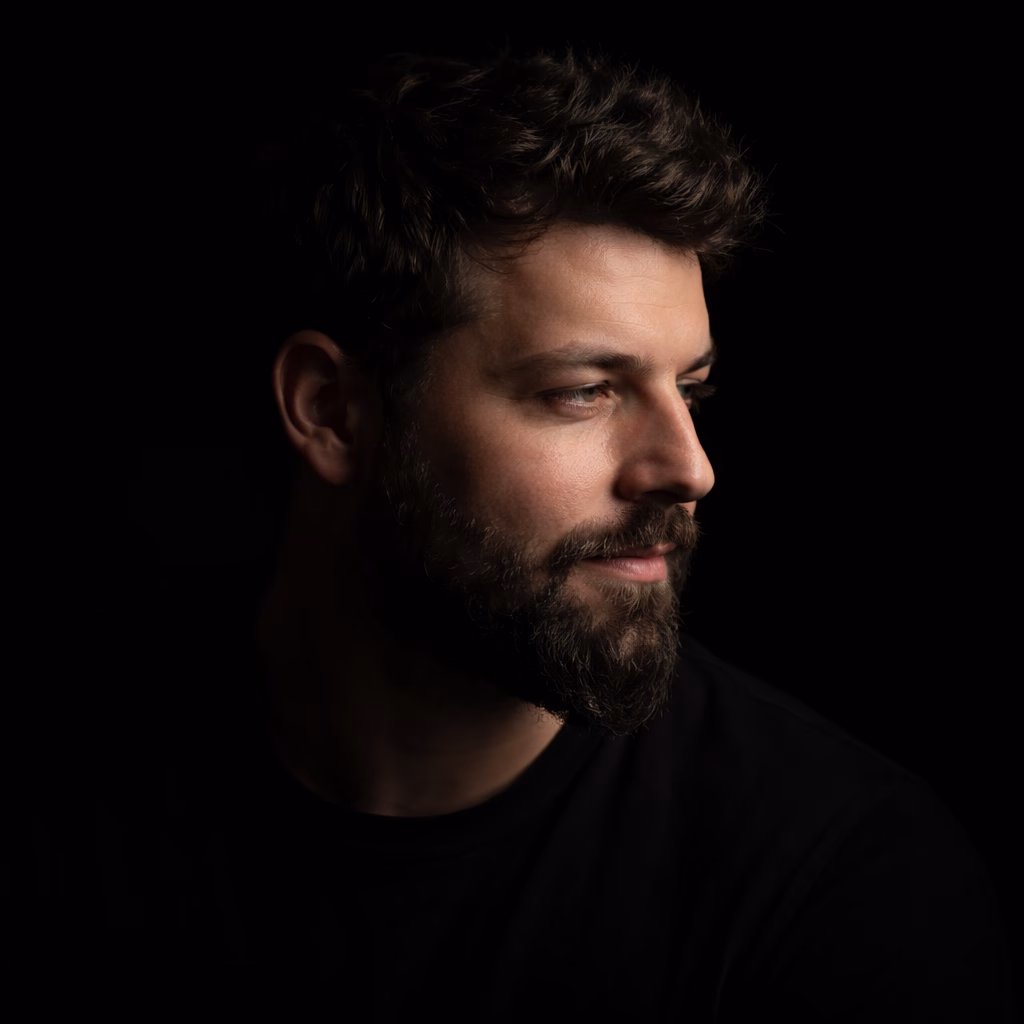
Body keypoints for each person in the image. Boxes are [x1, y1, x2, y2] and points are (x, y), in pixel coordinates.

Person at [4, 43, 1019, 1022]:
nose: (690, 468)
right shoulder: (44, 811)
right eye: (584, 390)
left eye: (692, 389)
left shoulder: (841, 883)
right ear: (331, 410)